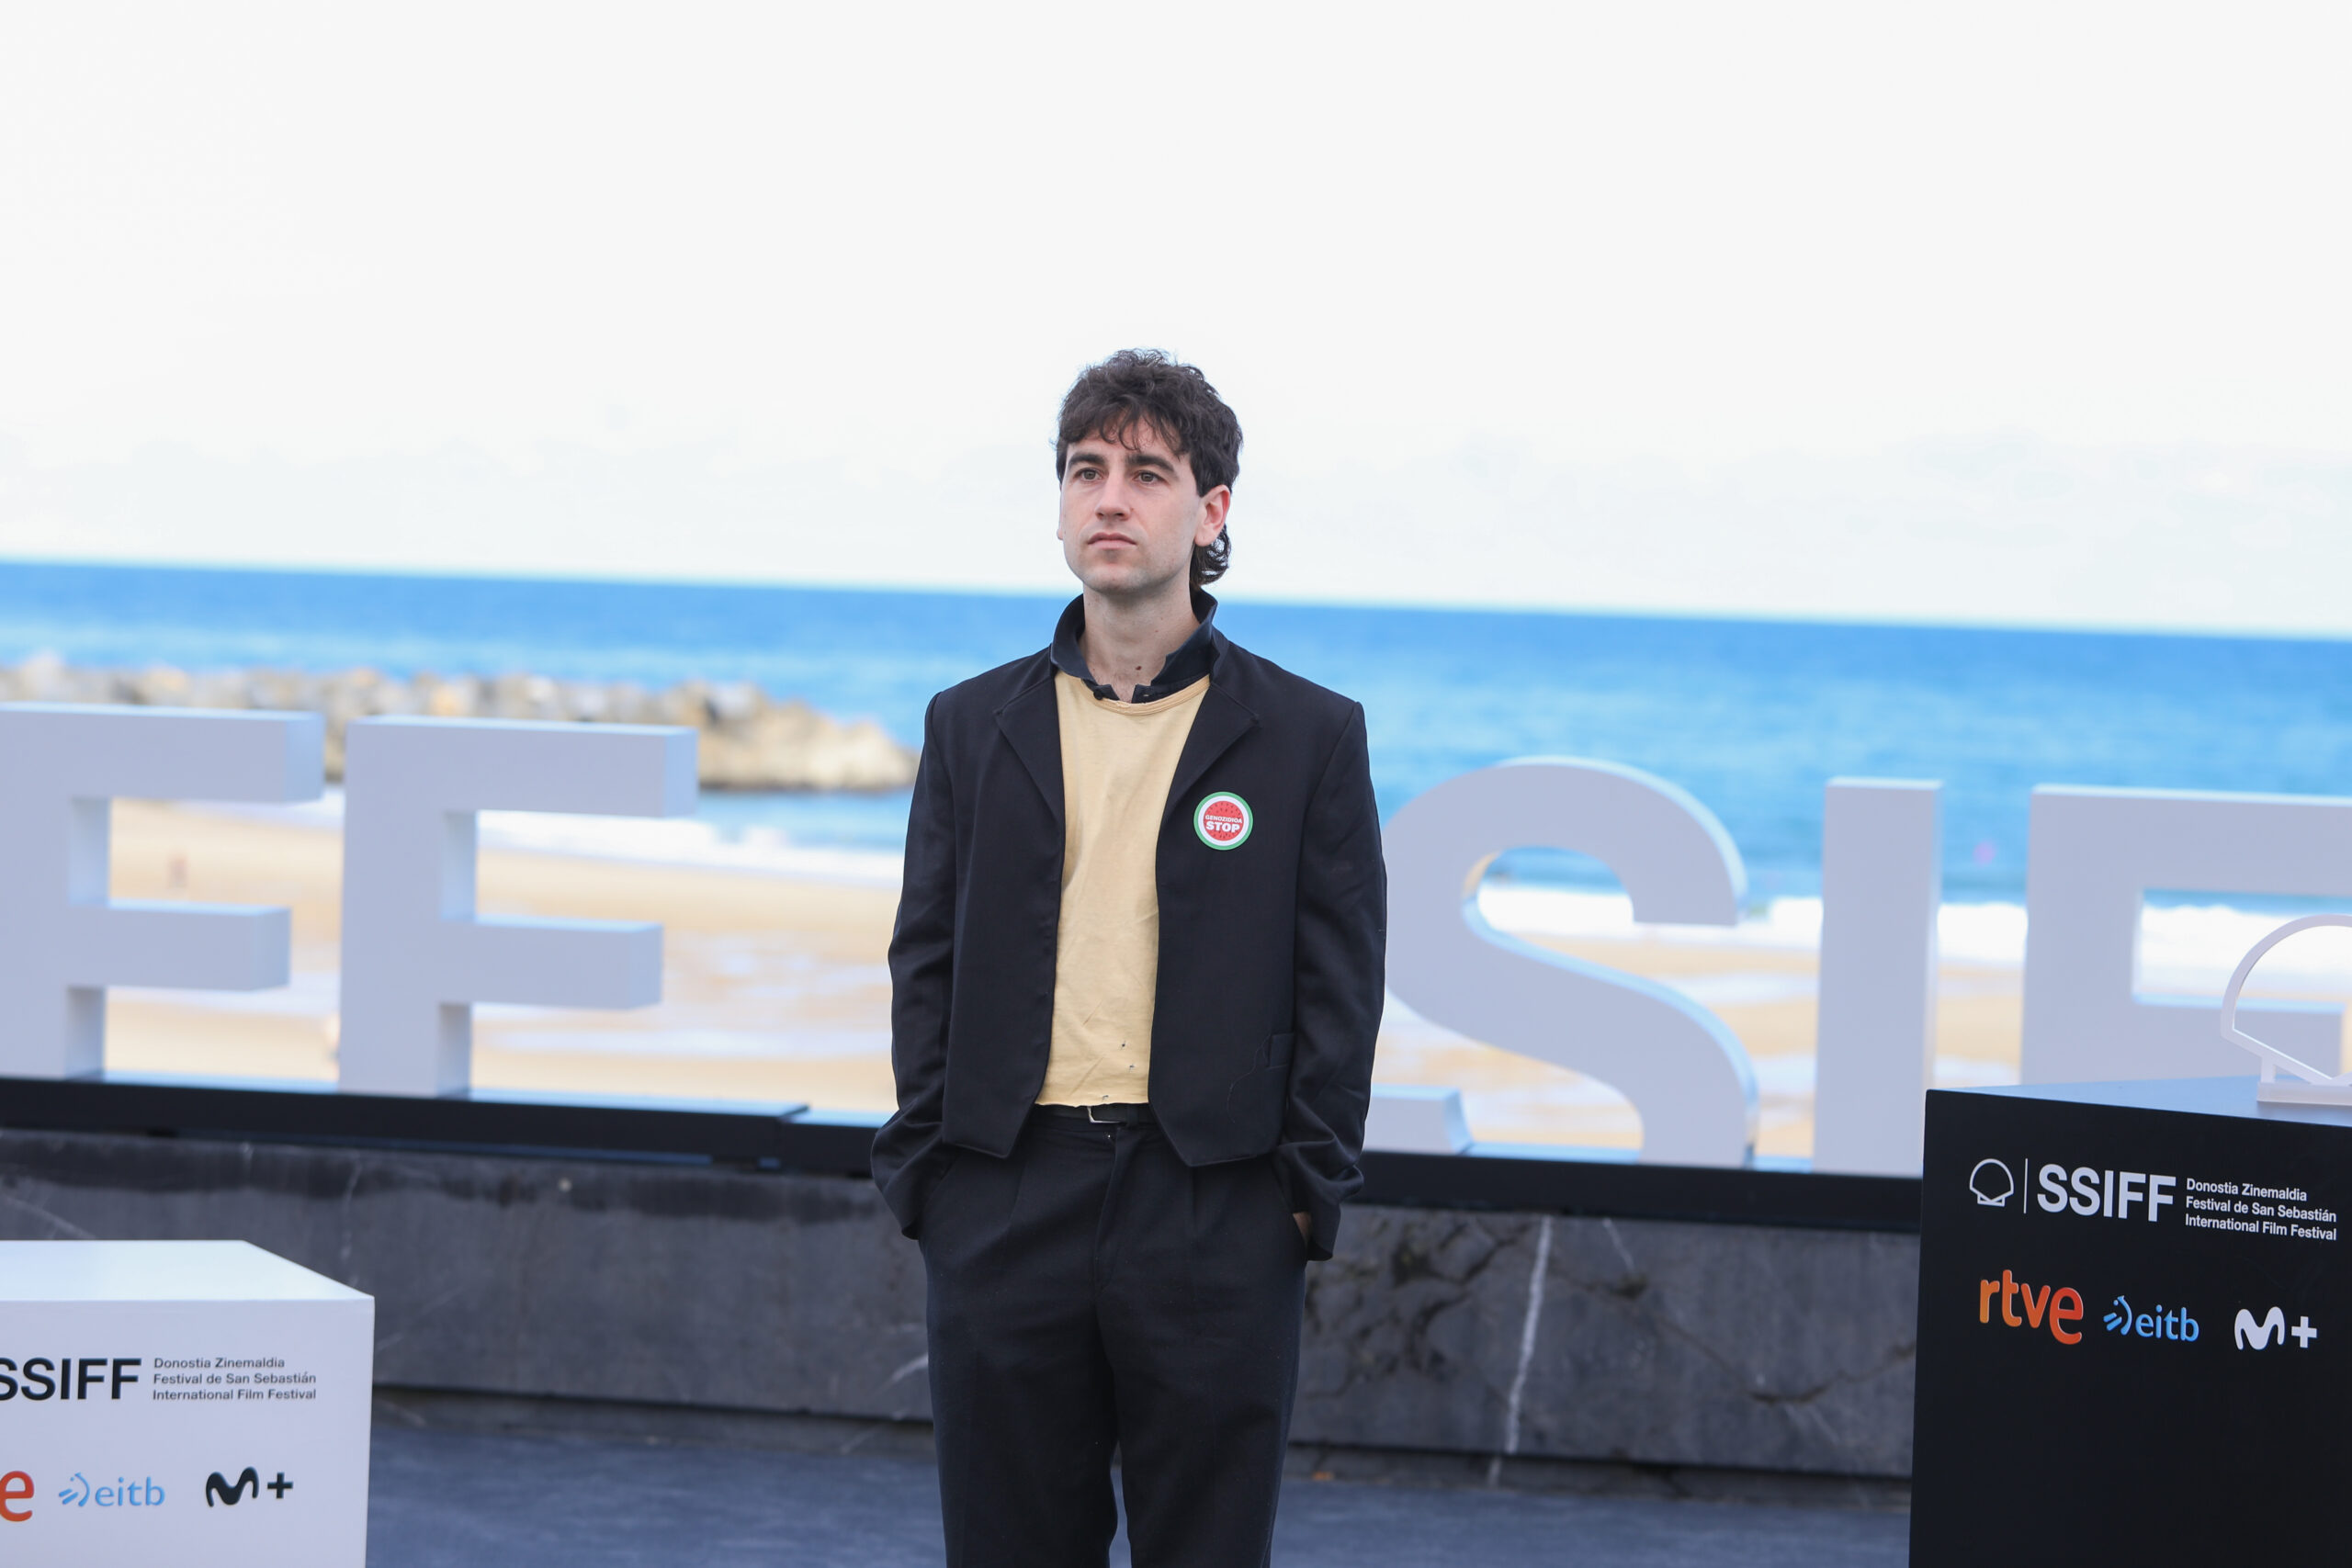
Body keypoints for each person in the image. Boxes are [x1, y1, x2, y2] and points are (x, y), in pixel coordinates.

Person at [872, 348, 1386, 1566]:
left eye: (1147, 474)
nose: (1109, 498)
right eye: (1085, 470)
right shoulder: (971, 723)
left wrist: (1299, 1195)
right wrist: (932, 1174)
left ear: (1211, 513)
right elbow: (925, 957)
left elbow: (1343, 984)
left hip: (1213, 1200)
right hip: (1007, 1191)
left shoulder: (1307, 734)